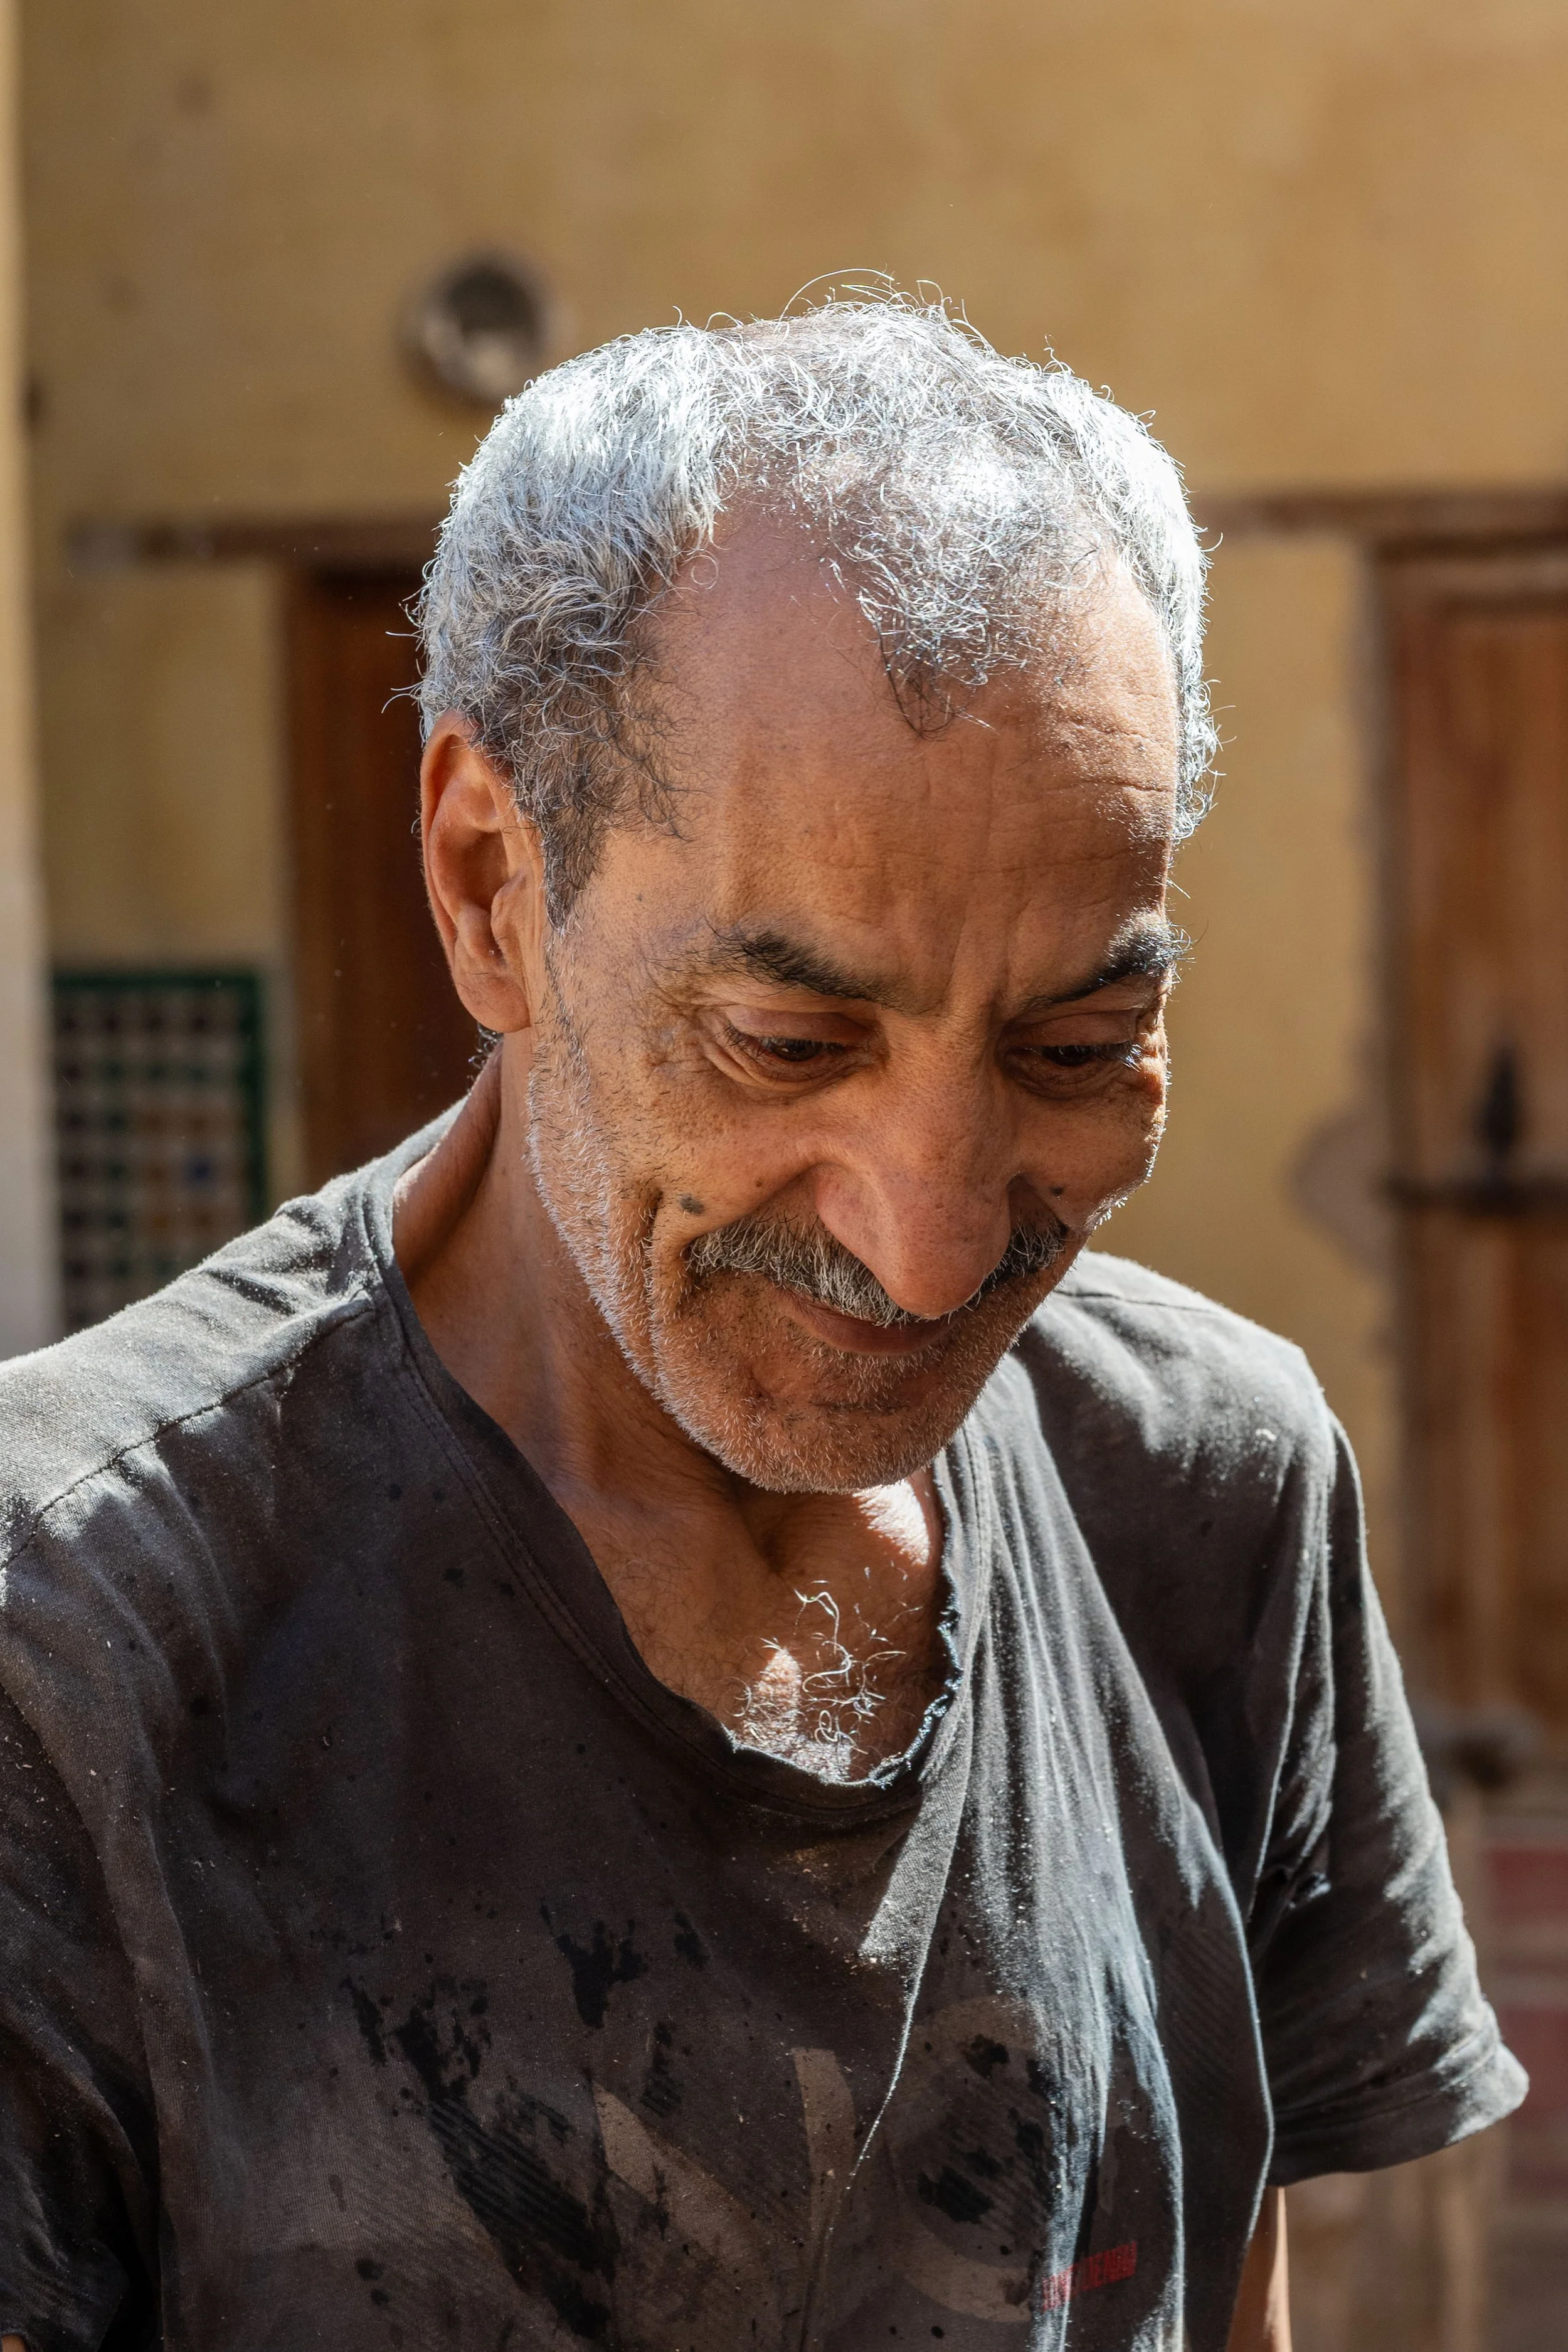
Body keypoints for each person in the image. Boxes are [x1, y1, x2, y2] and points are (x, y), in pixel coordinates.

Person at [0, 297, 1523, 2352]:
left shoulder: (1210, 1488)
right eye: (787, 1041)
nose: (925, 1249)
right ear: (485, 889)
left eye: (1077, 1045)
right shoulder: (71, 1630)